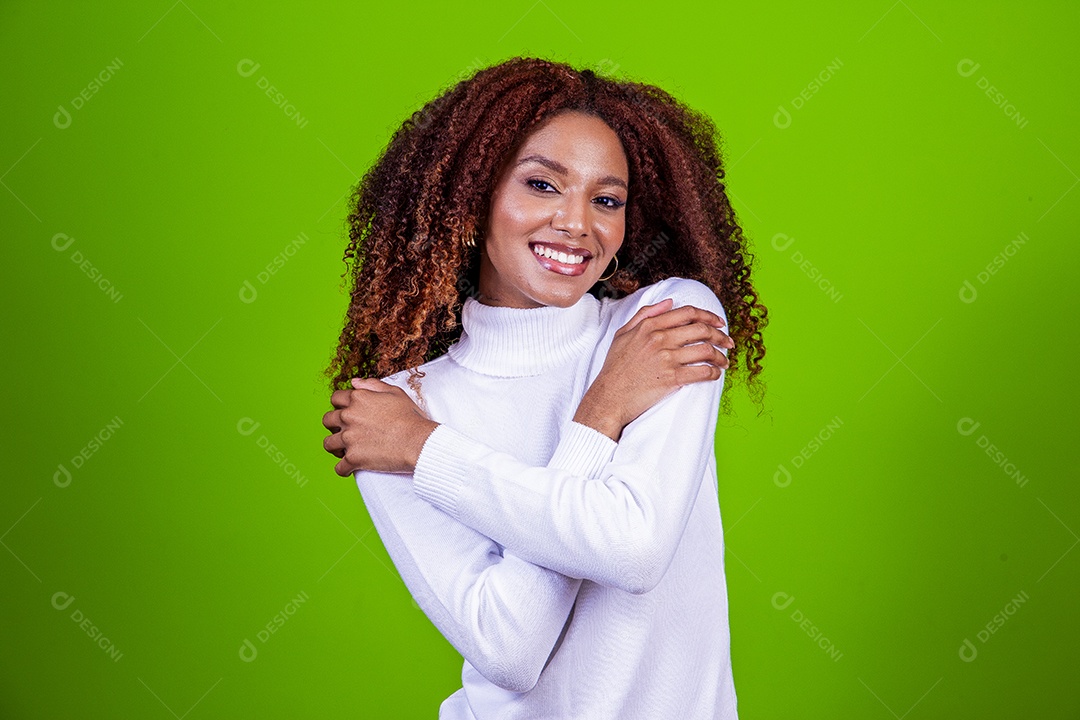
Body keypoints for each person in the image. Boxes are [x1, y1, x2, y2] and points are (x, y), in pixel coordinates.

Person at [321, 57, 768, 719]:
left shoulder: (664, 321)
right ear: (471, 199)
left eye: (606, 200)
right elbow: (510, 647)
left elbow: (635, 548)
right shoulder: (394, 412)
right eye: (541, 184)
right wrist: (601, 414)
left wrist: (425, 451)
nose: (577, 223)